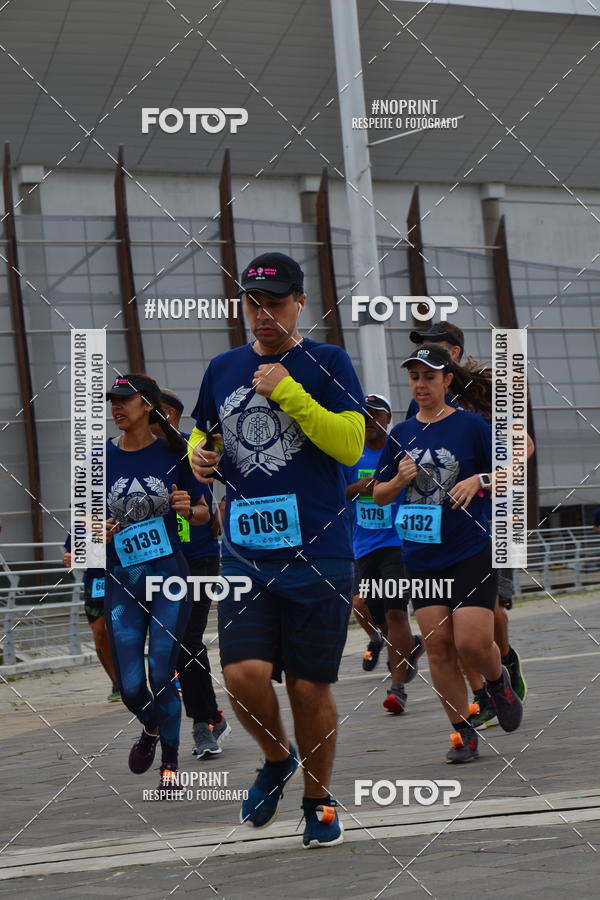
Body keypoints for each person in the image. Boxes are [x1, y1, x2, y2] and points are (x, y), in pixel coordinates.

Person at [189, 252, 364, 847]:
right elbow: (203, 430)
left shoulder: (328, 361)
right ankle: (276, 756)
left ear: (301, 302)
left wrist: (290, 392)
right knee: (240, 675)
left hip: (320, 551)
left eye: (275, 303)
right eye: (253, 303)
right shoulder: (222, 366)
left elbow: (349, 445)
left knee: (309, 688)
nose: (262, 314)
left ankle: (318, 799)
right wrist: (198, 456)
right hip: (245, 552)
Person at [373, 344, 523, 763]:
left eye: (430, 377)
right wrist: (399, 481)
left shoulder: (472, 427)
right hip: (421, 555)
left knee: (473, 643)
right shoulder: (400, 434)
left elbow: (513, 469)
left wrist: (480, 479)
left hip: (471, 548)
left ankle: (498, 681)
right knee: (439, 647)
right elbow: (380, 495)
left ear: (447, 381)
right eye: (415, 377)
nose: (421, 385)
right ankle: (463, 732)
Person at [407, 323, 530, 725]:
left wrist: (484, 479)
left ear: (453, 355)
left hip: (493, 517)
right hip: (432, 536)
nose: (423, 372)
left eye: (434, 351)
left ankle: (503, 665)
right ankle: (480, 698)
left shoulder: (487, 398)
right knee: (448, 637)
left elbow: (523, 448)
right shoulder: (419, 409)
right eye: (417, 364)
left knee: (486, 616)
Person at [103, 373, 209, 796]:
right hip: (122, 583)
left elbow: (203, 513)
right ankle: (149, 726)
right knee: (130, 685)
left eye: (125, 400)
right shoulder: (98, 459)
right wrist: (93, 533)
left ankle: (170, 763)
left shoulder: (175, 452)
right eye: (112, 400)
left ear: (147, 405)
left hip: (168, 577)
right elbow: (77, 533)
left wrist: (188, 509)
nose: (117, 407)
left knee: (161, 672)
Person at [151, 389, 231, 759]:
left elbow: (205, 510)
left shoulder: (188, 450)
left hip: (197, 558)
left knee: (186, 638)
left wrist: (187, 511)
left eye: (154, 413)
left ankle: (203, 724)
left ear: (169, 415)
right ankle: (211, 715)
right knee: (168, 645)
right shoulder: (129, 453)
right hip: (155, 562)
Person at [345, 394, 423, 713]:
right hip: (363, 546)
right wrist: (359, 487)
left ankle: (397, 687)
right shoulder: (349, 454)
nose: (368, 419)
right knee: (368, 609)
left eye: (376, 414)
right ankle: (409, 647)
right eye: (364, 414)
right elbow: (336, 493)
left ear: (387, 418)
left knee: (395, 612)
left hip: (397, 543)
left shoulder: (398, 451)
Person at [62, 536, 119, 701]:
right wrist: (69, 557)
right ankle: (116, 682)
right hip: (95, 582)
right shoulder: (81, 518)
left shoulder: (118, 512)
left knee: (119, 630)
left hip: (122, 576)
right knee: (99, 633)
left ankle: (134, 679)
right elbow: (70, 554)